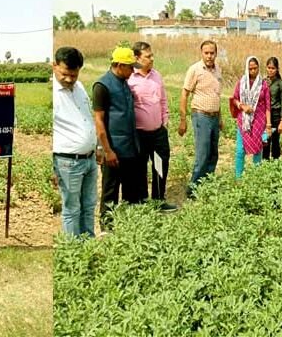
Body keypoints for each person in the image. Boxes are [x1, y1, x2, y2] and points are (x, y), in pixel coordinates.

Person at [93, 46, 145, 232]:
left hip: (130, 147)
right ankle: (107, 228)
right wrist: (107, 150)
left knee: (131, 191)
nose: (133, 71)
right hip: (113, 149)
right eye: (130, 67)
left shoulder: (124, 82)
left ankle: (128, 226)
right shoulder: (102, 86)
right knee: (110, 192)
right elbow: (99, 122)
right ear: (120, 65)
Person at [52, 47, 98, 238]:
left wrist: (98, 146)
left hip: (89, 158)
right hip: (67, 161)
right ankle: (73, 251)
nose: (70, 79)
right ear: (54, 66)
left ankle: (88, 244)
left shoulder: (78, 87)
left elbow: (88, 116)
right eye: (65, 74)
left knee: (88, 206)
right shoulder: (53, 94)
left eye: (74, 74)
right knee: (72, 209)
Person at [127, 42, 177, 212]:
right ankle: (141, 201)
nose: (152, 59)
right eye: (148, 56)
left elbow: (163, 100)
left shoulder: (157, 75)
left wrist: (165, 120)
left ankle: (158, 200)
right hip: (139, 133)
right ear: (137, 58)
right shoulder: (129, 78)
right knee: (139, 168)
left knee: (160, 165)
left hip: (158, 133)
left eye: (152, 55)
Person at [179, 40, 223, 198]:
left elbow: (217, 96)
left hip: (214, 116)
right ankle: (193, 188)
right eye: (206, 53)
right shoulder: (195, 70)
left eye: (212, 53)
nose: (209, 56)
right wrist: (183, 119)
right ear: (201, 53)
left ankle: (206, 184)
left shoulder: (218, 70)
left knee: (213, 153)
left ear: (216, 54)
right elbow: (185, 93)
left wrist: (220, 117)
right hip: (201, 115)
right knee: (202, 153)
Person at [231, 56, 270, 178]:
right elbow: (234, 99)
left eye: (255, 68)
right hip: (244, 121)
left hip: (259, 121)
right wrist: (242, 106)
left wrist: (268, 125)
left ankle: (256, 177)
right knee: (240, 150)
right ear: (246, 69)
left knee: (258, 150)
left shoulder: (263, 85)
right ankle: (238, 177)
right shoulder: (241, 83)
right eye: (250, 69)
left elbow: (268, 106)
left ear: (259, 68)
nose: (253, 71)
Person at [262, 57, 282, 160]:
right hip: (265, 115)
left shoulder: (280, 84)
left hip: (275, 114)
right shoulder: (263, 82)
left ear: (277, 69)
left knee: (275, 140)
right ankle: (265, 161)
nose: (270, 70)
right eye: (269, 67)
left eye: (273, 68)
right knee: (265, 139)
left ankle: (276, 162)